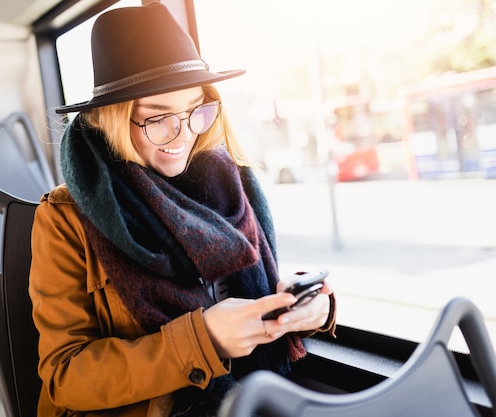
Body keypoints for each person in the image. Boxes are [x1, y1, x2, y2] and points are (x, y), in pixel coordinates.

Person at [29, 3, 336, 416]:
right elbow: (65, 376)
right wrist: (204, 340)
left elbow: (245, 287)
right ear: (109, 119)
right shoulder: (64, 218)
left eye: (196, 111)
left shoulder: (232, 182)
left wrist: (311, 309)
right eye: (158, 119)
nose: (183, 135)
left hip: (253, 399)